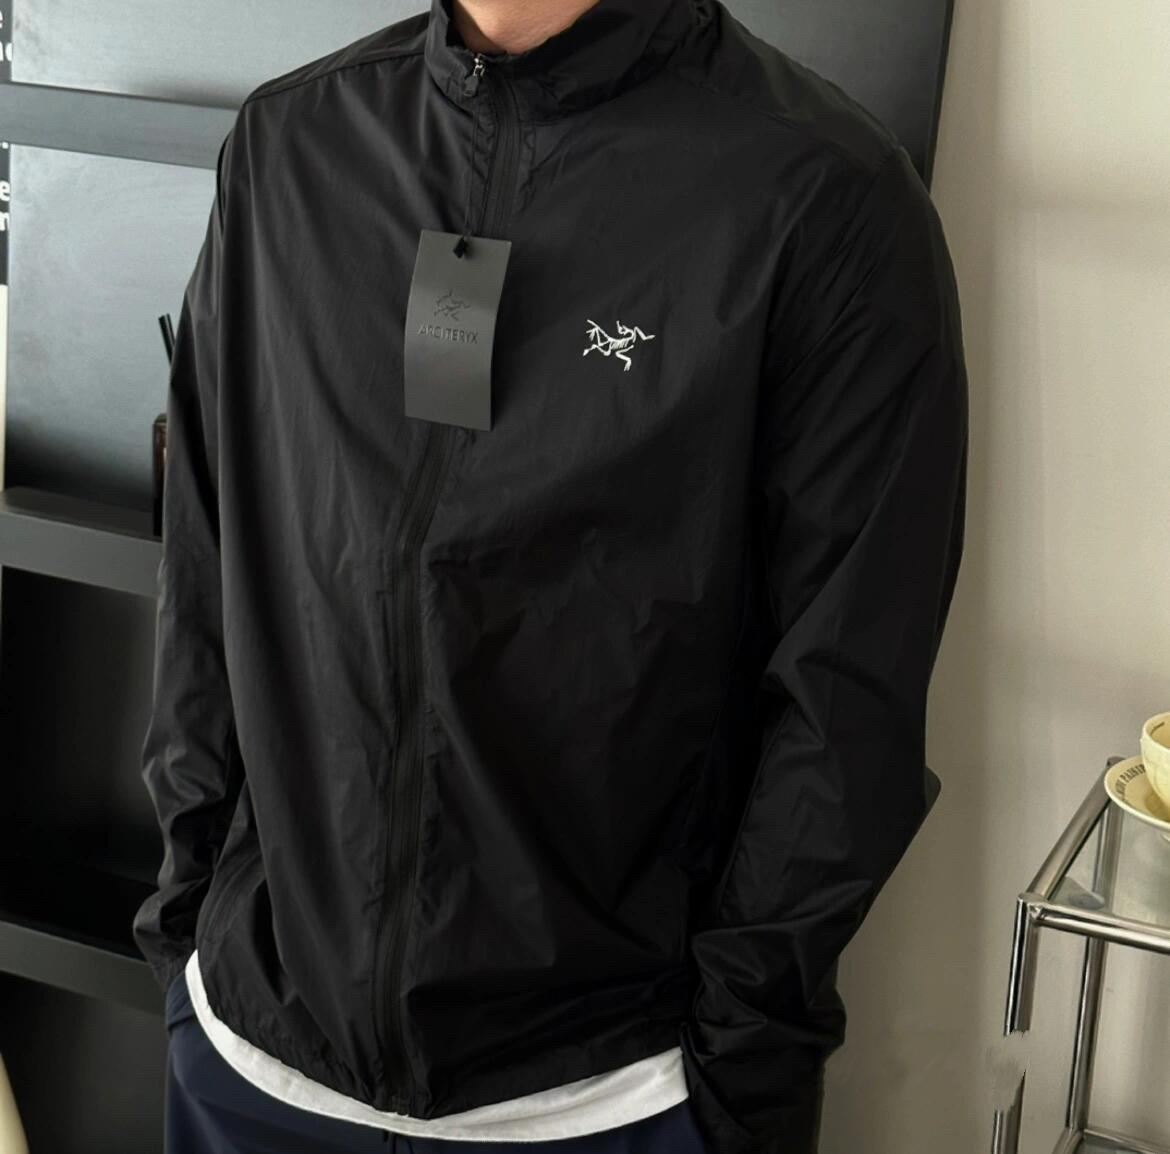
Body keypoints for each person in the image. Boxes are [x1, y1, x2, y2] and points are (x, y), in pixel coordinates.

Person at [133, 0, 969, 1150]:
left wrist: (738, 1062)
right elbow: (206, 555)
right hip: (253, 1064)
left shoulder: (822, 196)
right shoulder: (292, 144)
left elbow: (848, 696)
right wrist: (186, 920)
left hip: (608, 1093)